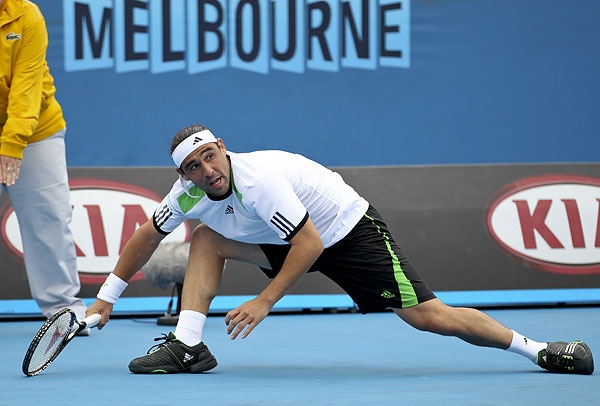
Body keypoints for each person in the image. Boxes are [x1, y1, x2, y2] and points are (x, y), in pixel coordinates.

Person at [87, 124, 594, 375]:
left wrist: (264, 300)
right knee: (205, 238)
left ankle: (540, 349)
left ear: (222, 148)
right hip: (285, 235)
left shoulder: (260, 180)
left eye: (209, 156)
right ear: (184, 175)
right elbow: (146, 236)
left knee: (428, 317)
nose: (207, 170)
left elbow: (309, 243)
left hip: (345, 231)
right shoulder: (187, 194)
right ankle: (189, 346)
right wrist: (106, 298)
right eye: (193, 167)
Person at [0, 0, 87, 323]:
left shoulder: (27, 14)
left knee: (49, 220)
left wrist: (11, 143)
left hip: (36, 131)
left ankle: (62, 312)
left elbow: (26, 85)